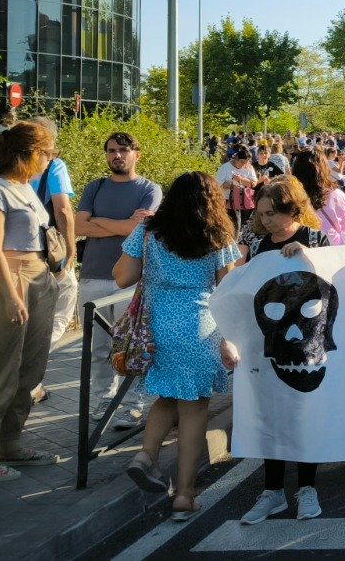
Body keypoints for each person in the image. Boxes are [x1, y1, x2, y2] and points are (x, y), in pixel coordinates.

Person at [116, 172, 239, 520]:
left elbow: (122, 277)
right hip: (201, 326)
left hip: (157, 325)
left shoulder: (149, 231)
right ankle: (184, 494)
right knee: (194, 410)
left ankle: (145, 455)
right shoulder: (218, 236)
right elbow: (226, 289)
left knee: (167, 396)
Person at [0, 123, 62, 481]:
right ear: (27, 154)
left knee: (29, 370)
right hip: (6, 280)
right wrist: (9, 296)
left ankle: (11, 445)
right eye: (46, 152)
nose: (49, 158)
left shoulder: (25, 188)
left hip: (36, 277)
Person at [238, 177, 331, 525]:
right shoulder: (258, 245)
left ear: (292, 209)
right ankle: (272, 491)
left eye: (272, 213)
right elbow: (243, 288)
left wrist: (309, 256)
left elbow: (337, 281)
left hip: (309, 347)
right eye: (262, 214)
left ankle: (307, 488)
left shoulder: (315, 238)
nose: (266, 221)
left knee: (304, 416)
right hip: (269, 347)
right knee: (271, 419)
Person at [74, 132, 164, 427]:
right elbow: (77, 226)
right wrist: (123, 224)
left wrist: (97, 222)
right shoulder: (95, 187)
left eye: (124, 150)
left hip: (131, 279)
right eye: (112, 150)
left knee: (130, 345)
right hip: (92, 276)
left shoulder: (149, 189)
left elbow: (140, 231)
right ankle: (103, 399)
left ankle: (131, 405)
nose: (117, 156)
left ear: (137, 154)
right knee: (98, 348)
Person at [29, 118, 77, 375]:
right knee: (64, 303)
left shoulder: (3, 170)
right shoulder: (54, 165)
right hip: (46, 252)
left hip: (14, 254)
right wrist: (70, 252)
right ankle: (31, 372)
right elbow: (63, 210)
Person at [290, 150, 345, 247]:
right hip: (334, 248)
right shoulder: (336, 195)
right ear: (324, 169)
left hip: (302, 247)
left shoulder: (291, 198)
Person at [216, 147, 258, 230]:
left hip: (244, 200)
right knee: (231, 225)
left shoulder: (248, 167)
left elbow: (253, 183)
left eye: (246, 163)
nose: (243, 165)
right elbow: (218, 186)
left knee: (242, 224)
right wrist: (232, 185)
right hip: (228, 201)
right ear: (236, 158)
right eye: (242, 162)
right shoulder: (225, 168)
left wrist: (241, 180)